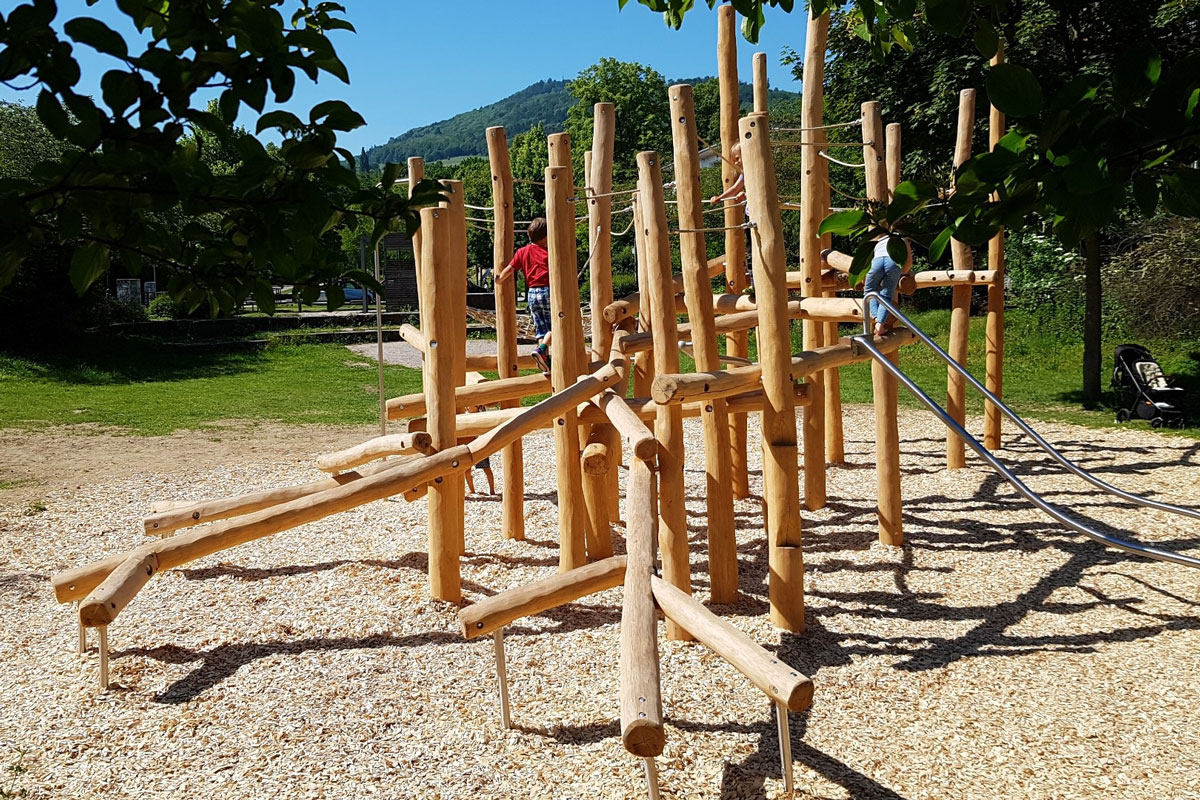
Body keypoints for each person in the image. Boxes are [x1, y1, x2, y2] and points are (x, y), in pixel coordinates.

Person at [496, 218, 552, 374]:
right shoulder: (549, 251)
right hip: (548, 291)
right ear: (545, 236)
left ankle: (545, 363)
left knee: (541, 329)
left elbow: (510, 268)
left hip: (532, 293)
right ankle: (542, 350)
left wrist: (499, 279)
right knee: (559, 324)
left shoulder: (522, 252)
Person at [864, 233, 913, 336]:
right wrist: (903, 272)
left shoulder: (880, 240)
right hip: (893, 261)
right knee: (886, 294)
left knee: (869, 292)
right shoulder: (903, 239)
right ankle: (880, 325)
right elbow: (908, 263)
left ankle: (876, 316)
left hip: (876, 262)